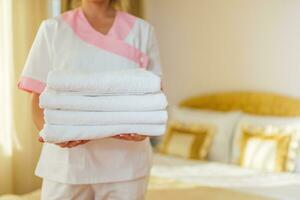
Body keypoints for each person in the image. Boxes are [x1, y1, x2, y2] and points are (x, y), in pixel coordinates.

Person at [17, 0, 162, 199]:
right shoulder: (53, 29)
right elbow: (38, 99)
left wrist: (144, 130)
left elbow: (153, 95)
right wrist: (51, 132)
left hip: (126, 166)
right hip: (67, 165)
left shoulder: (142, 31)